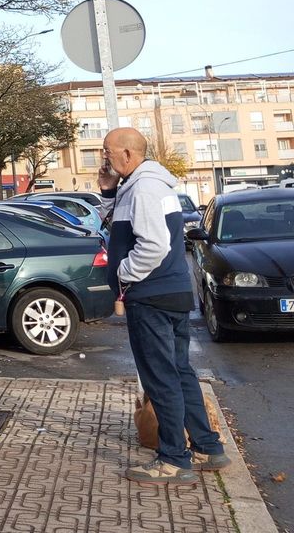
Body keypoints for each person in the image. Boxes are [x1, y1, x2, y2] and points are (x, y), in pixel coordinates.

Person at [100, 127, 228, 485]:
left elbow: (153, 246)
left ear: (128, 153)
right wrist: (108, 192)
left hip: (151, 297)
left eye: (108, 151)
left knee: (162, 378)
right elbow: (116, 227)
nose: (104, 156)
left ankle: (174, 459)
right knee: (180, 371)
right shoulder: (149, 184)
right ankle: (207, 447)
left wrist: (125, 273)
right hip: (169, 294)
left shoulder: (144, 187)